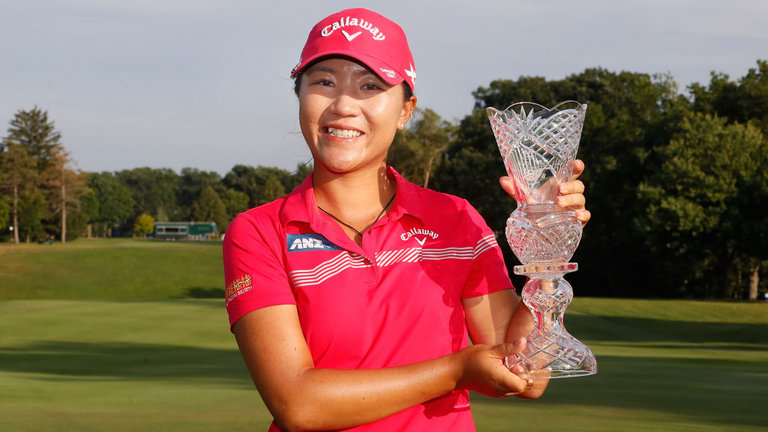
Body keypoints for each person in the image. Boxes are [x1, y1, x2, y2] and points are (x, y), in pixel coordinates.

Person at [222, 8, 590, 431]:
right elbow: (298, 405)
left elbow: (527, 374)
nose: (343, 104)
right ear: (300, 96)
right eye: (324, 82)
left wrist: (546, 252)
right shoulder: (258, 232)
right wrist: (455, 370)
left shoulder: (456, 218)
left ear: (405, 110)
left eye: (370, 86)